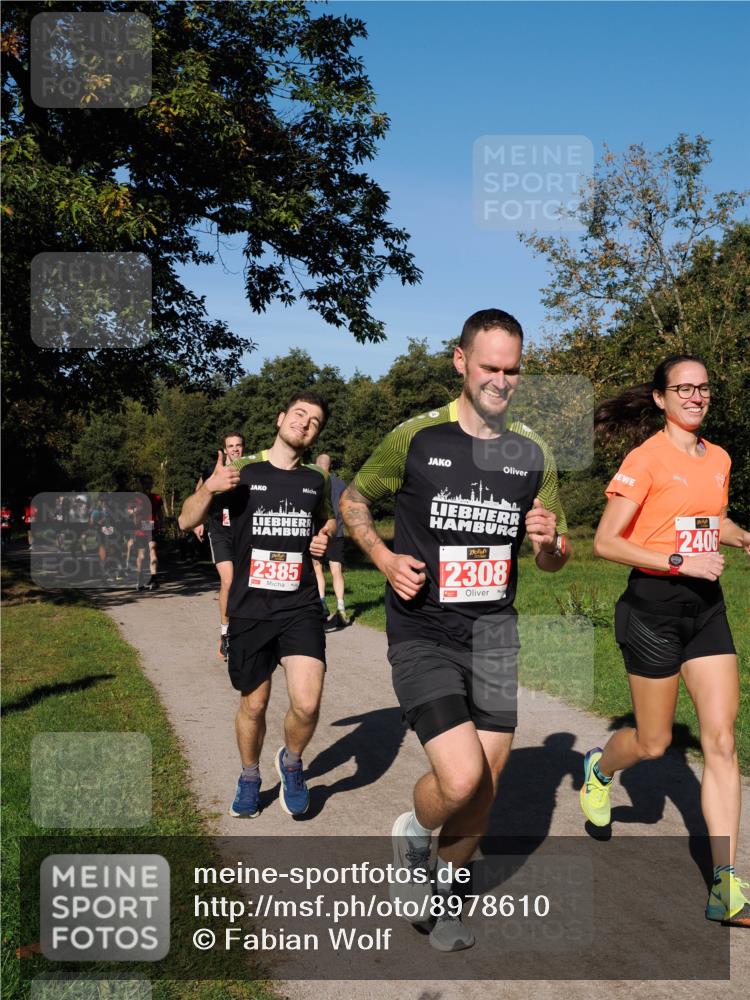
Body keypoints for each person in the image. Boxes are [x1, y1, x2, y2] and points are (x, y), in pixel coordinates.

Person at [340, 309, 569, 951]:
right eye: (490, 365)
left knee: (483, 791)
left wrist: (551, 545)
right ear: (460, 361)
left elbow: (555, 556)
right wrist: (383, 557)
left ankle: (442, 894)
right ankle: (413, 828)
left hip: (495, 636)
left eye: (513, 369)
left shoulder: (534, 454)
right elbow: (353, 498)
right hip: (424, 631)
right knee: (461, 778)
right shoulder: (415, 438)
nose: (501, 379)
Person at [581, 354, 750, 927]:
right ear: (661, 398)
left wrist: (741, 536)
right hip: (652, 612)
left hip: (707, 613)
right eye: (684, 388)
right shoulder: (645, 459)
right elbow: (607, 541)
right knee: (653, 744)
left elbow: (709, 520)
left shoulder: (719, 457)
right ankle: (600, 772)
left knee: (721, 742)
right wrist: (677, 561)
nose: (696, 397)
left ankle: (726, 883)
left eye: (703, 387)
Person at [178, 392, 336, 820]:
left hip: (300, 604)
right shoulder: (242, 470)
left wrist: (324, 535)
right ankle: (249, 775)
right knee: (255, 704)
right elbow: (186, 520)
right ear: (281, 417)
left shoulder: (314, 480)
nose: (305, 424)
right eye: (299, 414)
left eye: (315, 421)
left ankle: (292, 763)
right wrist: (210, 487)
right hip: (250, 607)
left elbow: (326, 518)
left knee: (306, 703)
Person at [192, 432, 246, 659]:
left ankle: (245, 629)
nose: (234, 449)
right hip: (219, 531)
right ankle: (226, 634)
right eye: (230, 446)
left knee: (246, 582)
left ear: (243, 447)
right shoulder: (214, 470)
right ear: (224, 449)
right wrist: (199, 520)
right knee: (229, 580)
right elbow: (199, 492)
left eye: (238, 445)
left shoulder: (252, 470)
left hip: (244, 532)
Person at [311, 453, 350, 631]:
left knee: (317, 568)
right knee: (336, 570)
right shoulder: (341, 484)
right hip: (337, 532)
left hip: (316, 533)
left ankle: (322, 605)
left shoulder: (312, 481)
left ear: (316, 465)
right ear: (330, 466)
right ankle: (341, 607)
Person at [131, 474, 163, 591]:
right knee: (142, 555)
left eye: (150, 482)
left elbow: (160, 513)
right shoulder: (136, 498)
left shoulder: (157, 497)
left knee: (152, 551)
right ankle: (139, 579)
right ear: (141, 484)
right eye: (145, 483)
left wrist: (162, 523)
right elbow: (131, 513)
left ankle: (154, 578)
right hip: (140, 528)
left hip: (151, 527)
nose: (147, 485)